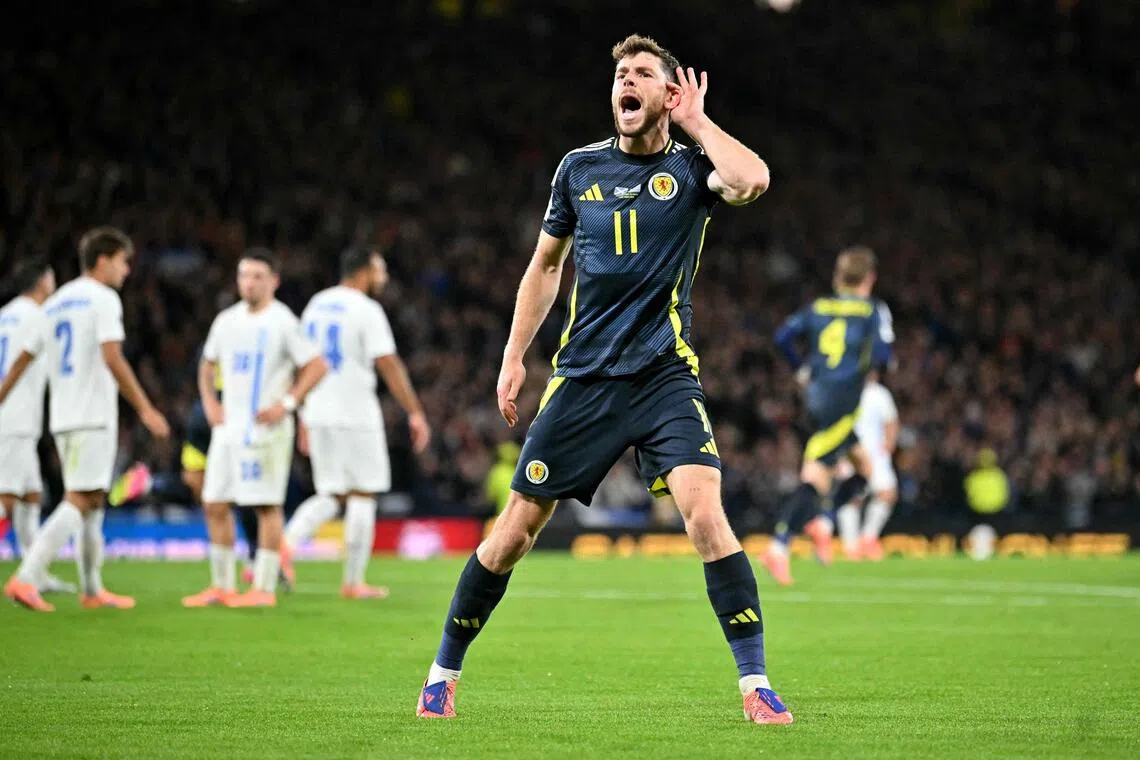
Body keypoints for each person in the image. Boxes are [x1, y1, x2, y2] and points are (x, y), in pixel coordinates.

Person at [417, 34, 793, 725]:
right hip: (583, 380)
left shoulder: (690, 169)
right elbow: (545, 267)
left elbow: (752, 182)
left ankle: (756, 685)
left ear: (667, 93)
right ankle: (442, 673)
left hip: (663, 378)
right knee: (512, 536)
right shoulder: (577, 169)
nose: (627, 80)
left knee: (706, 515)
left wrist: (699, 123)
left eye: (643, 73)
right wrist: (512, 355)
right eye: (621, 73)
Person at [2, 227, 171, 611]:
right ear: (103, 259)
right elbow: (112, 356)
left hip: (62, 416)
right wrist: (144, 408)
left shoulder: (56, 302)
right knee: (81, 498)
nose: (127, 270)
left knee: (93, 500)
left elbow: (21, 361)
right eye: (123, 262)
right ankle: (27, 577)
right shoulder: (103, 298)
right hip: (93, 413)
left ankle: (93, 589)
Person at [281, 246, 431, 599]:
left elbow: (302, 362)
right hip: (354, 412)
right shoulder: (367, 309)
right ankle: (353, 582)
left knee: (331, 494)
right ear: (364, 272)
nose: (385, 277)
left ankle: (282, 549)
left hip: (318, 410)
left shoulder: (316, 304)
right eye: (380, 270)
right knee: (363, 493)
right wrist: (414, 411)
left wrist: (302, 412)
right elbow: (389, 364)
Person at [181, 249, 327, 609]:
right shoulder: (226, 320)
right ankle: (222, 585)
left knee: (266, 505)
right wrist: (211, 403)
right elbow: (207, 364)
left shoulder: (283, 322)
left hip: (266, 432)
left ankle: (262, 589)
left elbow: (316, 365)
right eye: (244, 275)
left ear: (274, 281)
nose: (249, 282)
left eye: (258, 276)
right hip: (229, 430)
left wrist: (287, 404)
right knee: (214, 502)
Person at [762, 247, 893, 586]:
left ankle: (823, 521)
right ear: (870, 278)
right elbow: (883, 354)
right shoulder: (872, 310)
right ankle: (779, 546)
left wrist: (802, 368)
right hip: (842, 400)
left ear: (838, 277)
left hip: (816, 395)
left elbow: (783, 338)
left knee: (864, 467)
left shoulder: (818, 307)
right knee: (815, 477)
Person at [0, 258, 75, 594]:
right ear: (44, 281)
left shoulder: (5, 316)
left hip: (19, 420)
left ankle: (35, 574)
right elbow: (20, 365)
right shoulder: (38, 316)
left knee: (32, 496)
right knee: (8, 499)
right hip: (12, 417)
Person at [834, 371, 899, 561]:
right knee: (852, 496)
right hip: (849, 452)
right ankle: (851, 545)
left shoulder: (880, 393)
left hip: (877, 454)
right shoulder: (844, 391)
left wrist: (889, 445)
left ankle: (868, 538)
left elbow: (891, 421)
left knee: (887, 494)